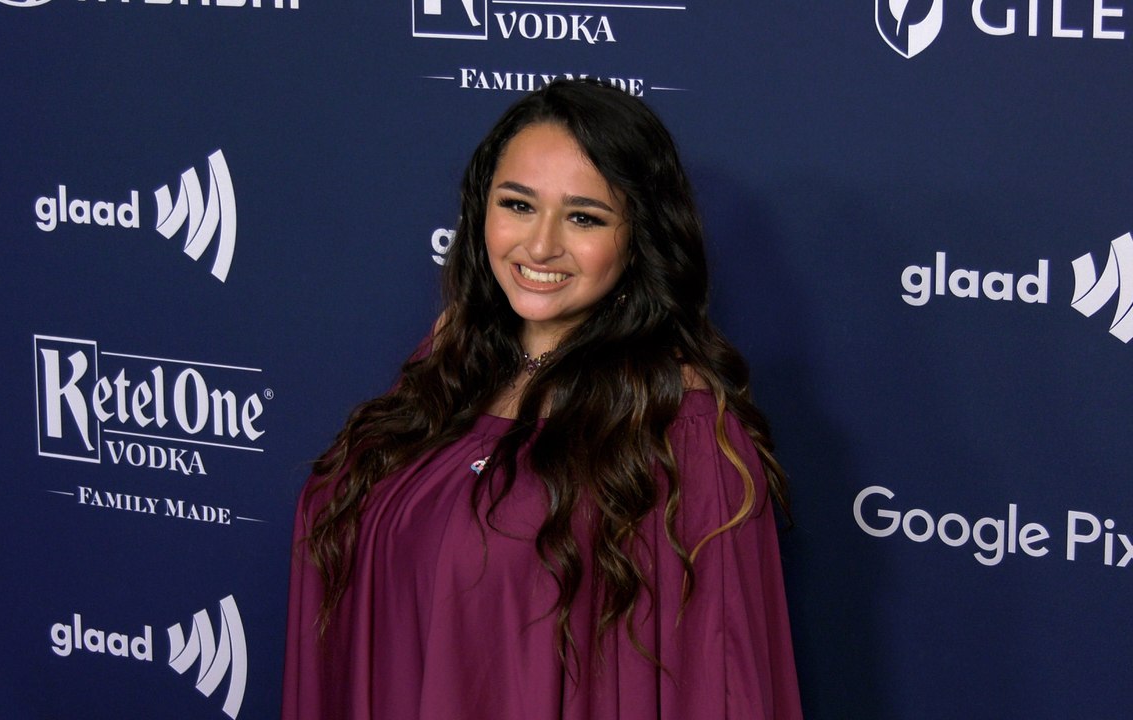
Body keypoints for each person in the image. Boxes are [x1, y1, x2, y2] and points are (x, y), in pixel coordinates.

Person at [282, 79, 802, 719]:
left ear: (638, 238)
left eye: (584, 216)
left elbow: (717, 689)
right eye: (518, 205)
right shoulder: (450, 362)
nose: (540, 245)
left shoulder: (681, 427)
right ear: (481, 214)